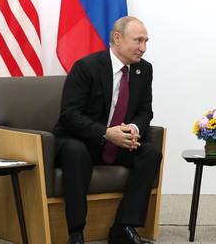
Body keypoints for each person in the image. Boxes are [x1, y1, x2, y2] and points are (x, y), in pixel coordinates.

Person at [53, 16, 162, 244]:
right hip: (81, 140)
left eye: (146, 41)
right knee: (75, 151)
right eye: (138, 40)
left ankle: (123, 227)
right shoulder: (86, 67)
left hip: (117, 143)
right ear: (117, 38)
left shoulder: (144, 70)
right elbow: (69, 115)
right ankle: (75, 233)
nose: (143, 48)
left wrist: (132, 129)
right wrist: (106, 132)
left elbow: (145, 111)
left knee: (150, 153)